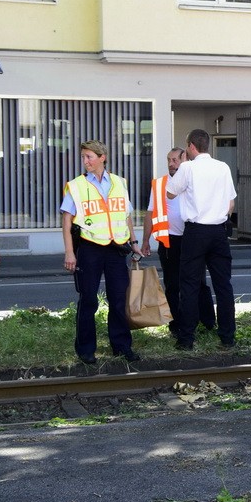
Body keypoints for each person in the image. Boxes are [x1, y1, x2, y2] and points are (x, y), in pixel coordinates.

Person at [60, 140, 141, 364]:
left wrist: (133, 242)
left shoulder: (119, 182)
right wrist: (69, 252)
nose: (85, 161)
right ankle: (86, 350)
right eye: (83, 157)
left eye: (89, 157)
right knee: (88, 300)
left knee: (118, 300)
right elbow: (66, 222)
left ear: (102, 157)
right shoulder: (76, 186)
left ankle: (122, 347)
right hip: (89, 248)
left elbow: (126, 216)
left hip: (116, 248)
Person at [167, 129, 237, 350]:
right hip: (218, 231)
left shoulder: (187, 167)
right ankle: (227, 336)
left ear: (190, 147)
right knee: (223, 285)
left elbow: (170, 192)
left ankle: (186, 339)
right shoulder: (223, 167)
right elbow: (231, 202)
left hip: (195, 232)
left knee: (189, 285)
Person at [141, 147, 215, 338]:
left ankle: (207, 322)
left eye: (174, 160)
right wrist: (145, 241)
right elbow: (150, 213)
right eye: (168, 160)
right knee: (173, 285)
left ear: (184, 160)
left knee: (198, 283)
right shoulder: (160, 184)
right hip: (169, 241)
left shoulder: (194, 179)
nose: (171, 164)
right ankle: (176, 325)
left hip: (192, 239)